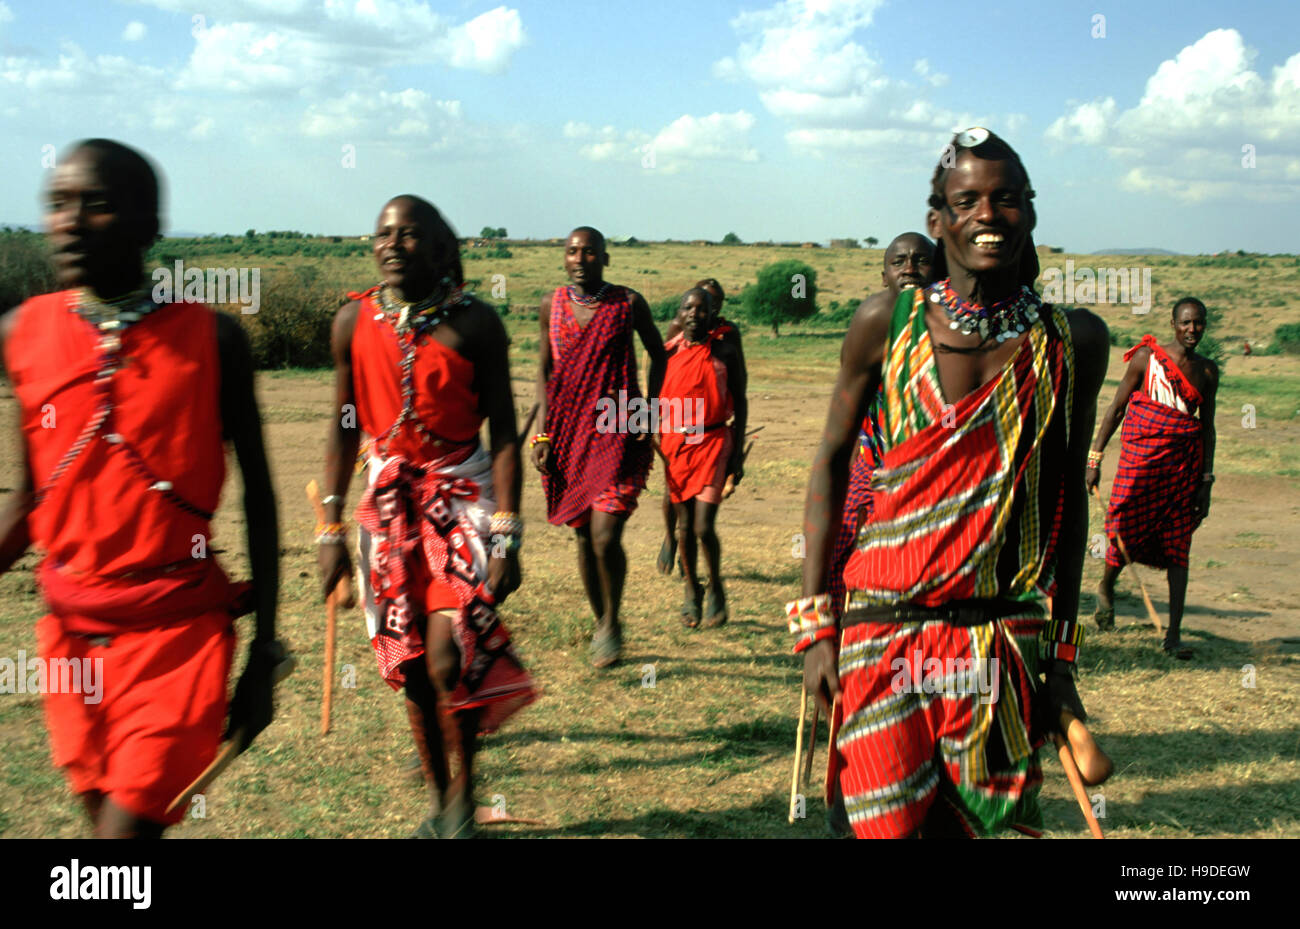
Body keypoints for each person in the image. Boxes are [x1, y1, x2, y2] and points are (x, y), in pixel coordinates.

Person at [793, 128, 1110, 838]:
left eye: (1006, 199)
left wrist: (1061, 656)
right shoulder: (885, 324)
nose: (987, 215)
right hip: (883, 633)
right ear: (939, 220)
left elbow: (1065, 499)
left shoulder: (1071, 342)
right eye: (966, 200)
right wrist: (816, 629)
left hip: (1003, 639)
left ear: (1030, 212)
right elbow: (830, 462)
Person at [0, 139, 281, 838]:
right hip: (70, 642)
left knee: (118, 848)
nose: (67, 221)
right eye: (57, 204)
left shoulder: (211, 339)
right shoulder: (22, 332)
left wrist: (264, 653)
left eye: (94, 204)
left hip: (176, 640)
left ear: (149, 225)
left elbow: (261, 499)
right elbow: (30, 498)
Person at [319, 195, 535, 838]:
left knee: (450, 655)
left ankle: (464, 797)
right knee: (410, 662)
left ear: (441, 249)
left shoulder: (477, 325)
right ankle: (440, 799)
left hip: (464, 500)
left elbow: (503, 435)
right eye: (382, 234)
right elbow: (341, 426)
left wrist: (508, 536)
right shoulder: (352, 322)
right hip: (386, 507)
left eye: (409, 236)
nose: (391, 244)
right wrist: (329, 529)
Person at [531, 226, 666, 668]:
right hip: (568, 436)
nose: (580, 259)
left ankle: (612, 620)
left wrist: (649, 409)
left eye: (590, 252)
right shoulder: (550, 306)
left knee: (606, 536)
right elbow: (544, 372)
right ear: (564, 258)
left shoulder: (627, 303)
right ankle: (600, 620)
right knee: (584, 536)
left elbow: (658, 353)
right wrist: (543, 434)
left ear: (605, 259)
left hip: (618, 430)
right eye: (572, 251)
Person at [1087, 298, 1219, 658]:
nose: (1193, 330)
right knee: (1124, 531)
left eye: (1199, 323)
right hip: (1140, 462)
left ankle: (1173, 635)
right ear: (1173, 323)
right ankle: (1107, 588)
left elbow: (1207, 430)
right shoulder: (1148, 359)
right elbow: (1116, 408)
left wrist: (1205, 482)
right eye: (1186, 323)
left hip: (1181, 472)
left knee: (1179, 547)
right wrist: (1095, 457)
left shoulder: (1208, 372)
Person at [826, 233, 937, 622]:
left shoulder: (957, 335)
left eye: (921, 260)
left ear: (940, 271)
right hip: (873, 463)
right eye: (899, 261)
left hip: (937, 476)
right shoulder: (872, 328)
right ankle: (844, 639)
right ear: (884, 275)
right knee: (840, 550)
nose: (909, 268)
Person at [658, 287, 747, 627]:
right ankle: (691, 590)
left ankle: (717, 586)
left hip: (713, 441)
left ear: (713, 314)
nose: (695, 313)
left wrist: (737, 457)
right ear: (679, 313)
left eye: (702, 308)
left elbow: (740, 401)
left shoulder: (726, 350)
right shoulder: (666, 353)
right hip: (676, 446)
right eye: (688, 307)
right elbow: (654, 398)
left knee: (703, 526)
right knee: (684, 527)